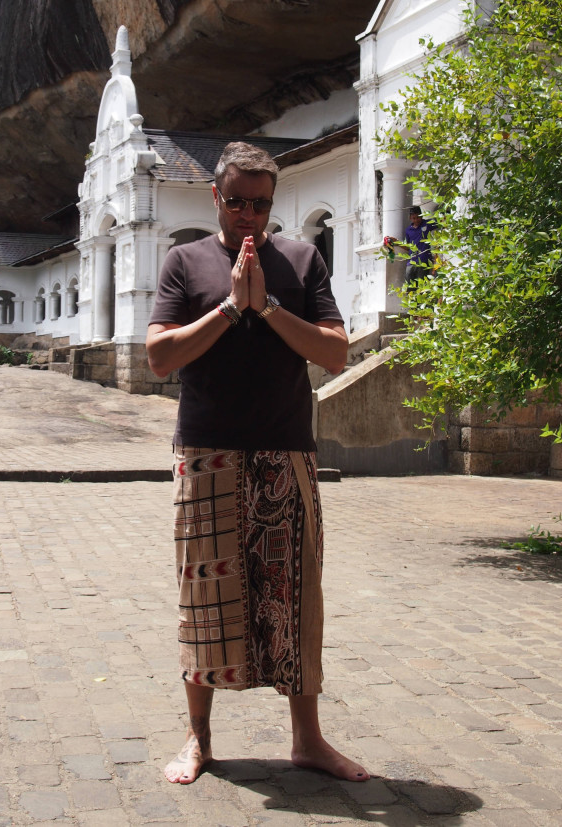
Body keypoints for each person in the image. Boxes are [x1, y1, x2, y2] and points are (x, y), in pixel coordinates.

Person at [146, 141, 369, 786]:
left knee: (296, 595)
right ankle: (198, 738)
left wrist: (267, 306)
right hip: (207, 451)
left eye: (261, 204)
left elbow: (334, 353)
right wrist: (229, 307)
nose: (249, 214)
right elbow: (160, 357)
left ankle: (308, 740)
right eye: (238, 200)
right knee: (206, 597)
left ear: (273, 205)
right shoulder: (184, 262)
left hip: (286, 448)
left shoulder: (301, 259)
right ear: (216, 197)